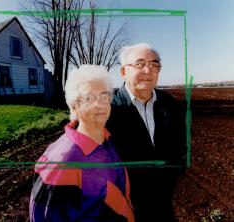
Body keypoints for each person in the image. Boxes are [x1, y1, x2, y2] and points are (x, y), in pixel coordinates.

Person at [29, 65, 134, 222]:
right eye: (89, 98)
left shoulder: (108, 140)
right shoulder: (62, 163)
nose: (99, 104)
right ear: (74, 106)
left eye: (104, 96)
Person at [106, 43, 186, 222]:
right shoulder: (107, 107)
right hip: (122, 210)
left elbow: (179, 147)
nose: (148, 70)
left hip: (163, 206)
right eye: (140, 64)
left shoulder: (169, 104)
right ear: (123, 72)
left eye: (154, 64)